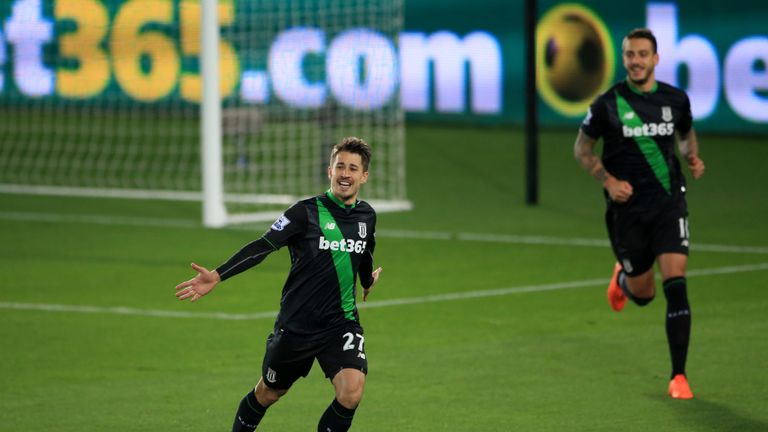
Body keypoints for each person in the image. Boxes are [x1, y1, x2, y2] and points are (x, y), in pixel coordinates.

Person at [175, 137, 382, 431]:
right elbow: (263, 245)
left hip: (341, 323)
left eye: (352, 168)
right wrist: (218, 274)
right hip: (297, 326)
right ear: (329, 171)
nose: (345, 174)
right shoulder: (305, 212)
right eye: (340, 166)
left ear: (364, 176)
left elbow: (364, 251)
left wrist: (366, 279)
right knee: (269, 393)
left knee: (351, 392)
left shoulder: (367, 216)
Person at [573, 28, 706, 399]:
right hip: (627, 212)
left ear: (656, 59)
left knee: (676, 283)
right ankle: (622, 282)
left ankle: (678, 376)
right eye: (630, 54)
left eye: (643, 54)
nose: (636, 61)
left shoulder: (675, 99)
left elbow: (685, 134)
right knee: (644, 293)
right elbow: (582, 150)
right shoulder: (607, 104)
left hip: (668, 204)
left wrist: (691, 156)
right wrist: (607, 180)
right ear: (624, 58)